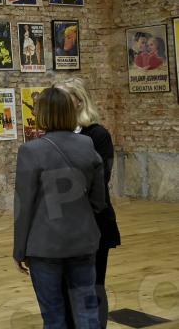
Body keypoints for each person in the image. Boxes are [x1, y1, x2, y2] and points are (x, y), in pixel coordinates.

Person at [13, 87, 106, 329]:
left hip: (45, 246)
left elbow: (24, 206)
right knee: (88, 314)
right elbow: (99, 201)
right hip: (82, 241)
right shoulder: (87, 144)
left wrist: (19, 250)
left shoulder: (30, 150)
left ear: (42, 114)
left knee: (53, 316)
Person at [55, 79, 121, 329]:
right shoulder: (55, 135)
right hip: (62, 224)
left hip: (94, 222)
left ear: (79, 101)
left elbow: (100, 180)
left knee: (93, 286)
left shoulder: (97, 135)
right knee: (63, 287)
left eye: (63, 97)